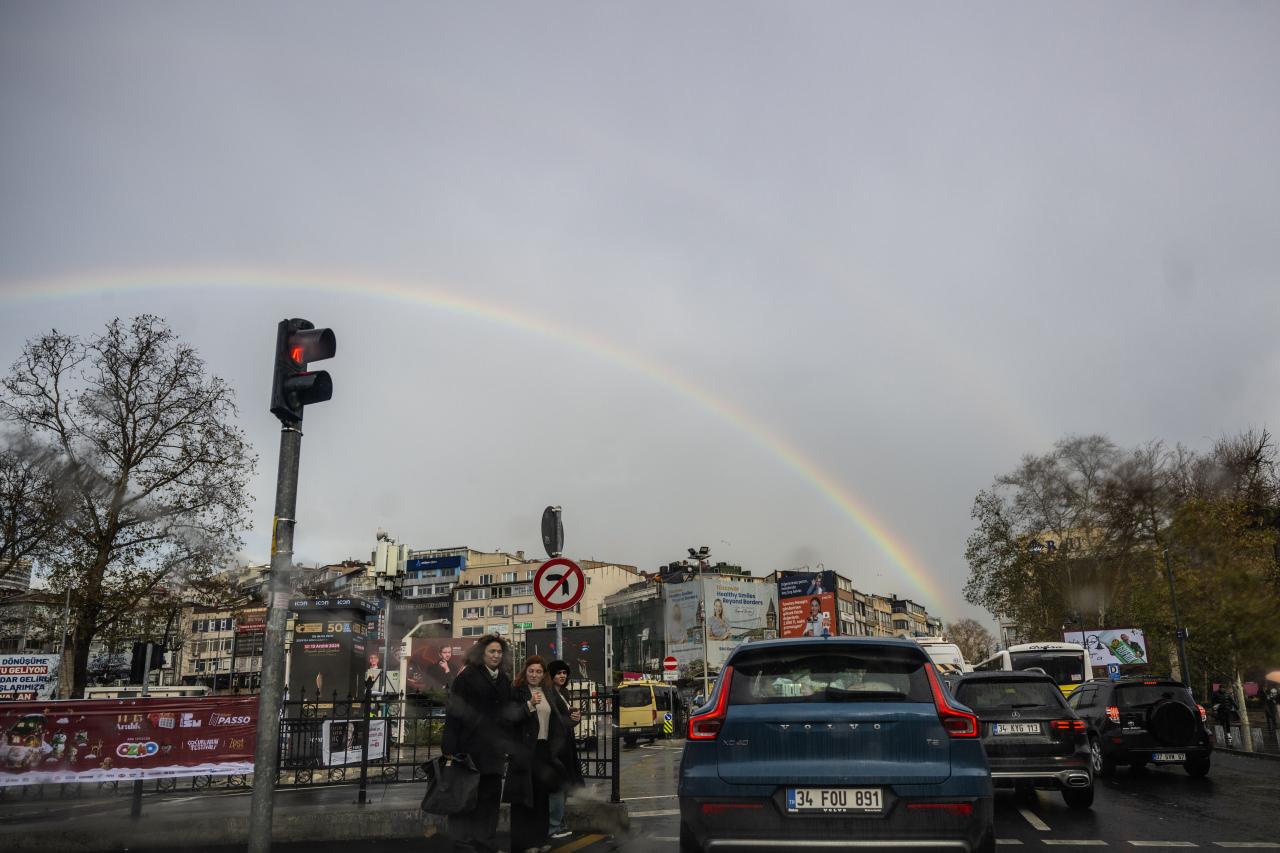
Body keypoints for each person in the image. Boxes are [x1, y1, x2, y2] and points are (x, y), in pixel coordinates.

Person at [442, 635, 519, 853]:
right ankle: (464, 845)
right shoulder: (467, 677)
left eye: (499, 652)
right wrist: (449, 748)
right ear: (481, 654)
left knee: (490, 801)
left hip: (494, 752)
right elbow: (454, 713)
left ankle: (486, 844)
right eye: (491, 651)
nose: (496, 655)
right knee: (466, 800)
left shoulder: (503, 679)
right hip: (469, 750)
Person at [507, 656, 570, 853]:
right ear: (525, 672)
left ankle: (539, 839)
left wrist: (573, 720)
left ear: (544, 675)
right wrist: (529, 705)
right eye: (531, 671)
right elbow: (511, 717)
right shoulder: (517, 691)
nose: (535, 675)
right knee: (524, 799)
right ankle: (523, 844)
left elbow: (557, 720)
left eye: (539, 672)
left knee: (542, 797)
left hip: (544, 749)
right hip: (525, 750)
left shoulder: (548, 692)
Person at [545, 660, 584, 840]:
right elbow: (555, 719)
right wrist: (570, 719)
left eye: (565, 673)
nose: (563, 676)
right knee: (557, 786)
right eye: (559, 673)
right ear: (551, 675)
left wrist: (576, 717)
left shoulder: (564, 693)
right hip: (556, 744)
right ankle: (554, 825)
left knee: (566, 783)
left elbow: (566, 719)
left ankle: (559, 822)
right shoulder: (549, 693)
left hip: (567, 742)